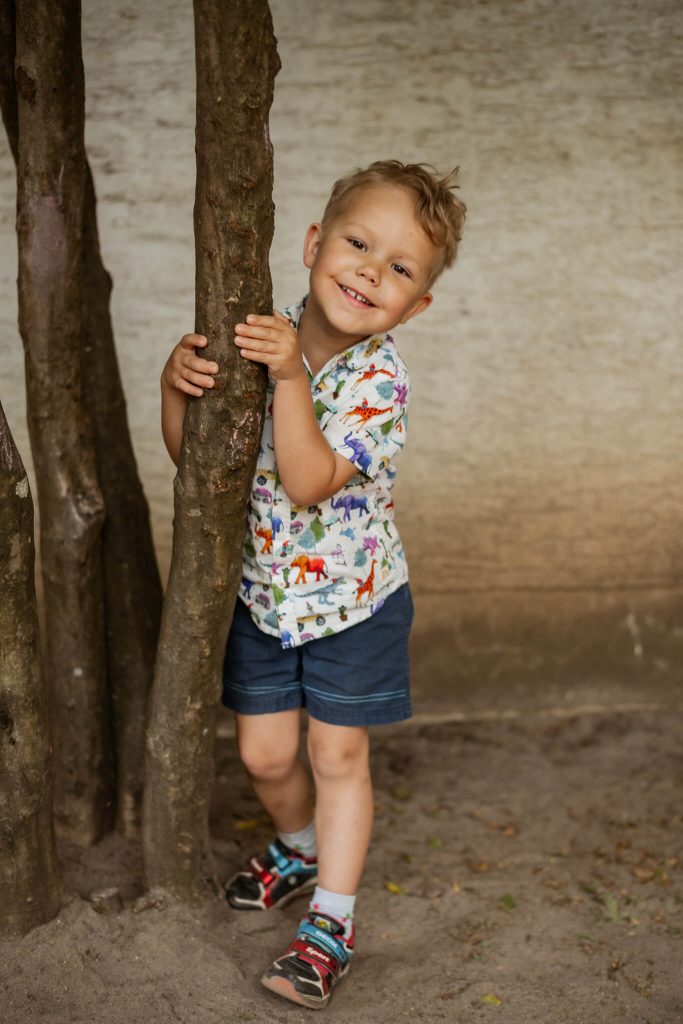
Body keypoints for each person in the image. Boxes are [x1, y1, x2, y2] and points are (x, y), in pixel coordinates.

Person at [161, 160, 466, 1010]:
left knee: (335, 752)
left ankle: (331, 919)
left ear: (417, 305)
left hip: (354, 603)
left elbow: (303, 480)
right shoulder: (260, 336)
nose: (371, 271)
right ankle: (295, 848)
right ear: (311, 245)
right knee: (261, 754)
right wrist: (173, 386)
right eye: (358, 244)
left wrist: (291, 378)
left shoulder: (378, 383)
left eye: (400, 268)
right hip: (264, 597)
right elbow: (198, 464)